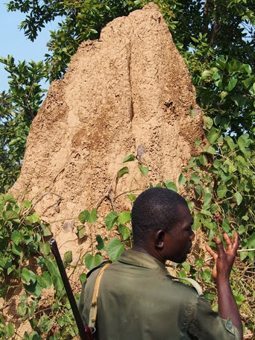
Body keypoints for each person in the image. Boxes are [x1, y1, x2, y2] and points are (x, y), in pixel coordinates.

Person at [78, 187, 243, 340]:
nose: (192, 236)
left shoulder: (96, 280)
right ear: (160, 239)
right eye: (187, 229)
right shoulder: (186, 302)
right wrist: (223, 279)